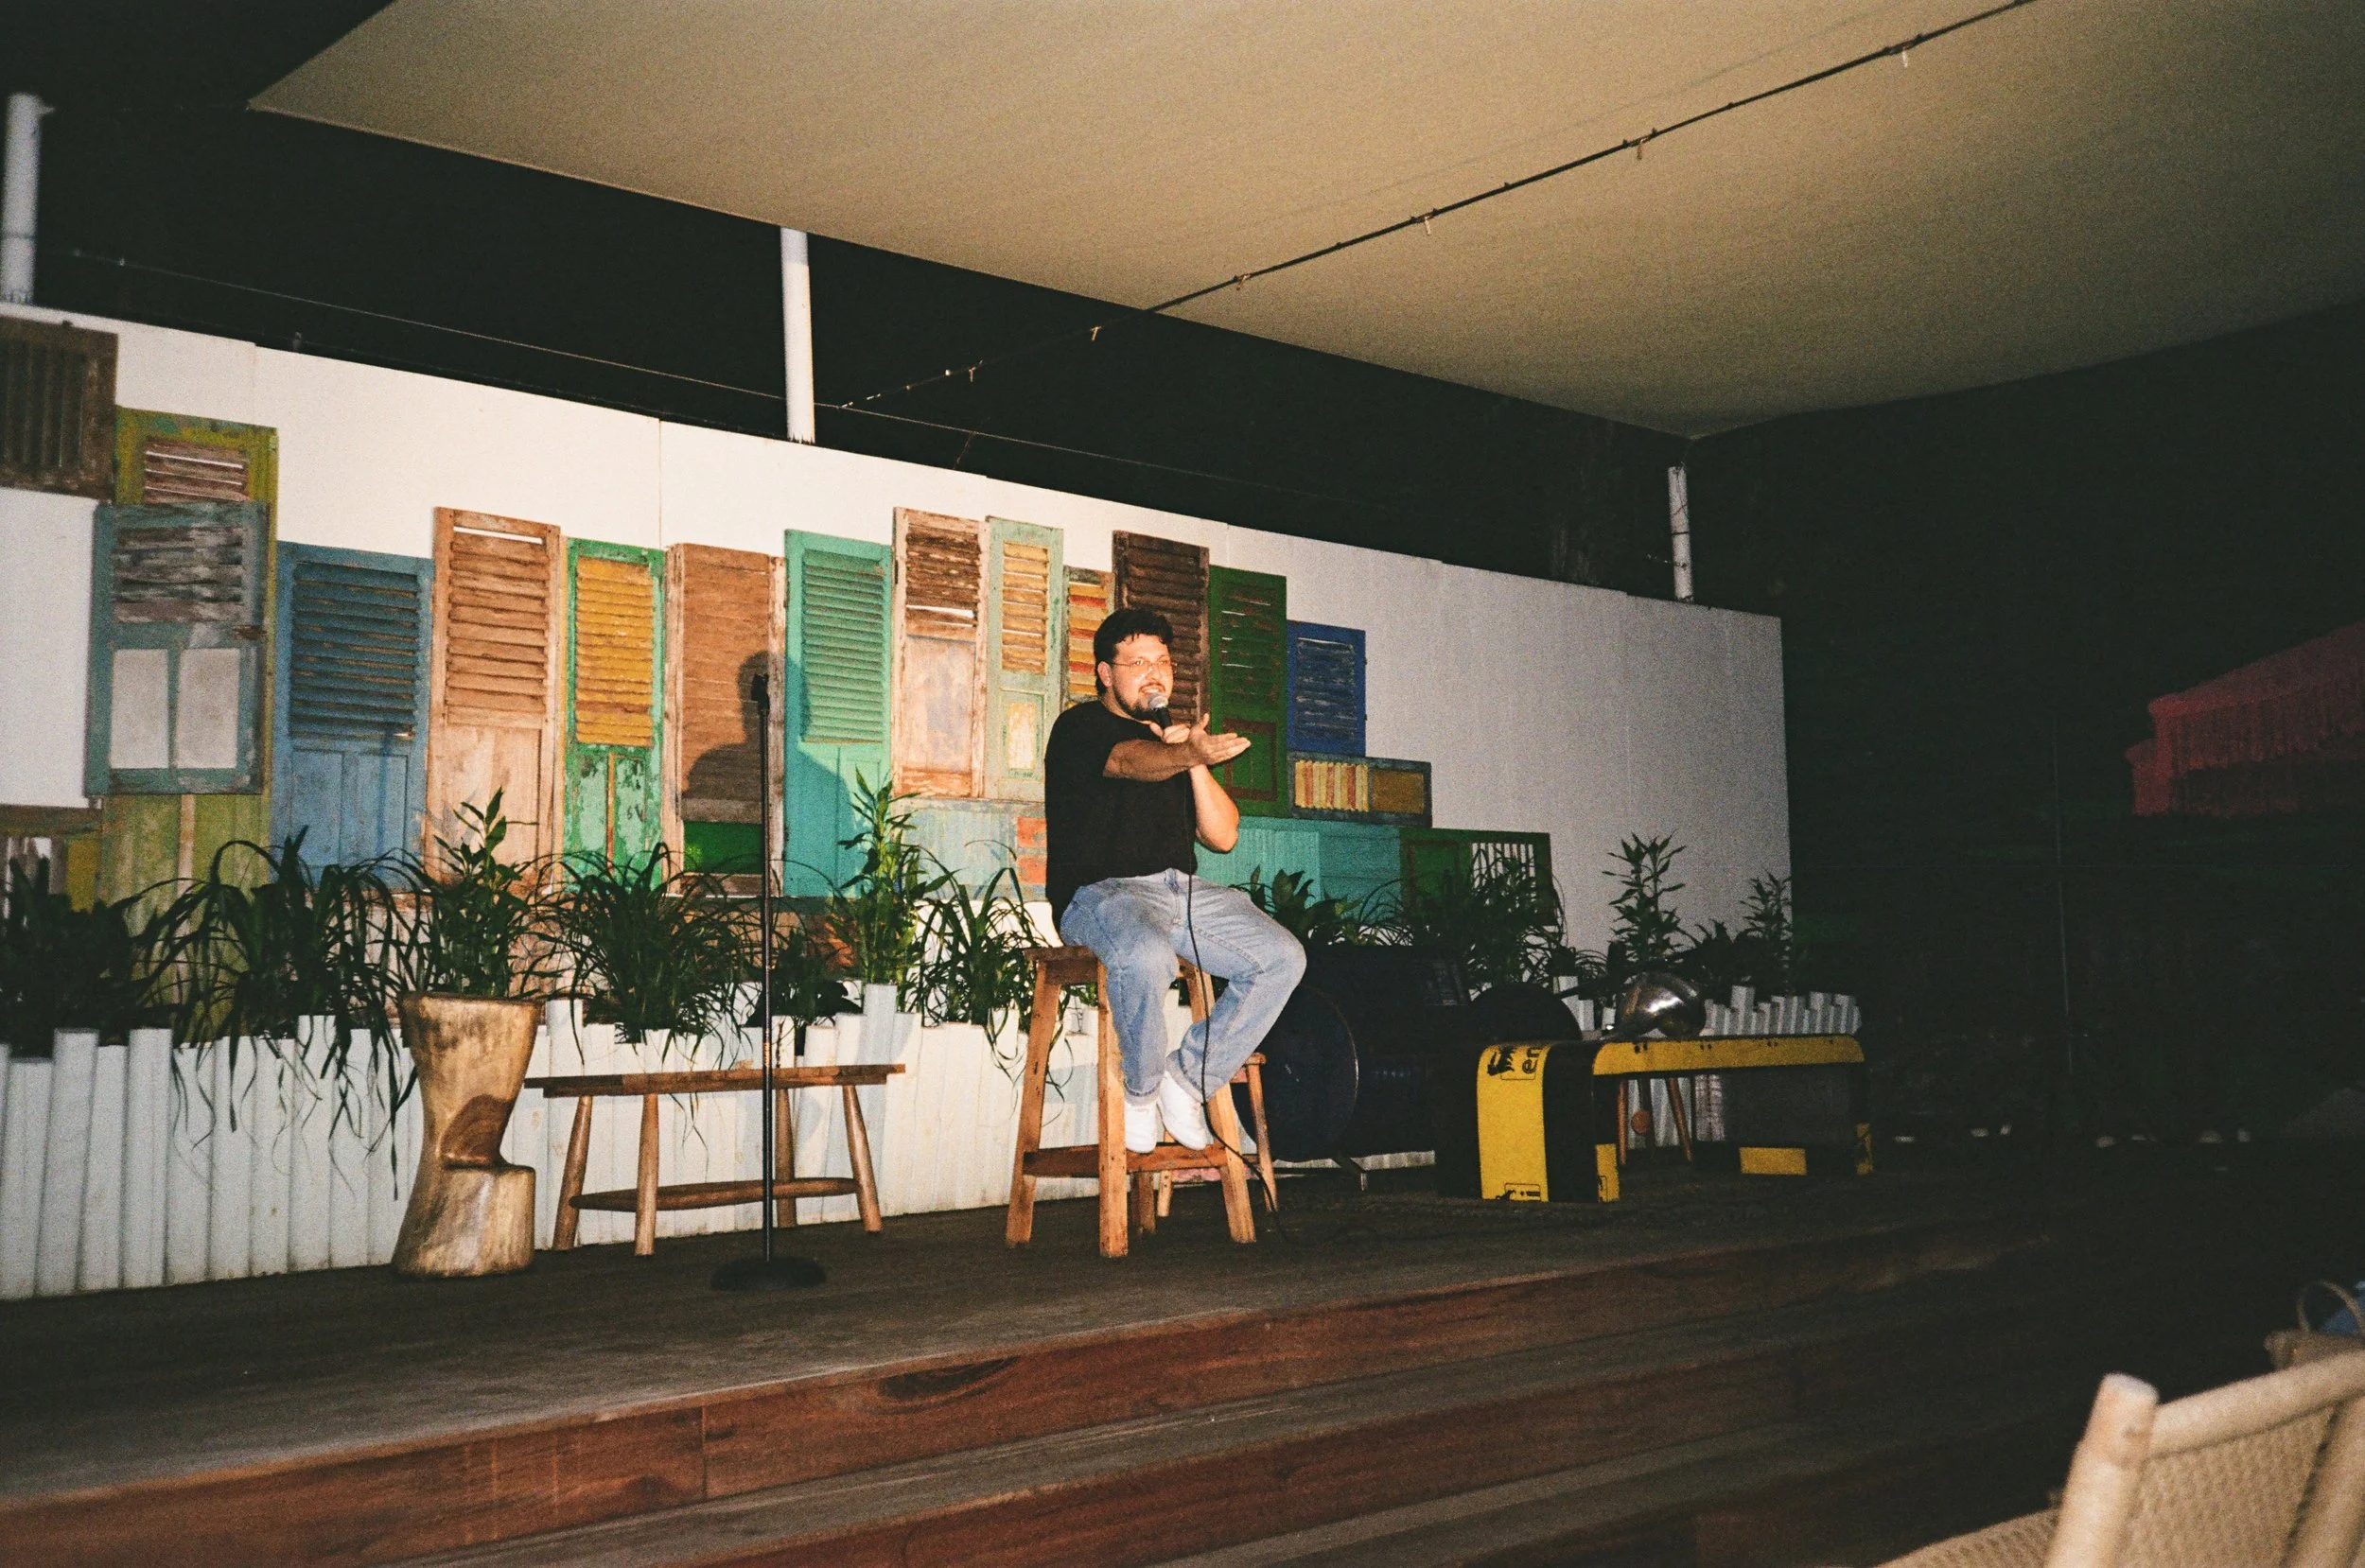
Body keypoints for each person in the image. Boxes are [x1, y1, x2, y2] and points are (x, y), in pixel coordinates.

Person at [1043, 606, 1307, 1155]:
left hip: (1180, 891)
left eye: (1162, 661)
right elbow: (1127, 763)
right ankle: (1139, 1094)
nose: (1154, 673)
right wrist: (1180, 750)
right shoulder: (1081, 727)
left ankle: (1185, 1080)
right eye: (1137, 662)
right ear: (1105, 673)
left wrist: (1193, 760)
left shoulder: (1173, 744)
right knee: (1144, 956)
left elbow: (1223, 836)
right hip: (1101, 894)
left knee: (1282, 957)